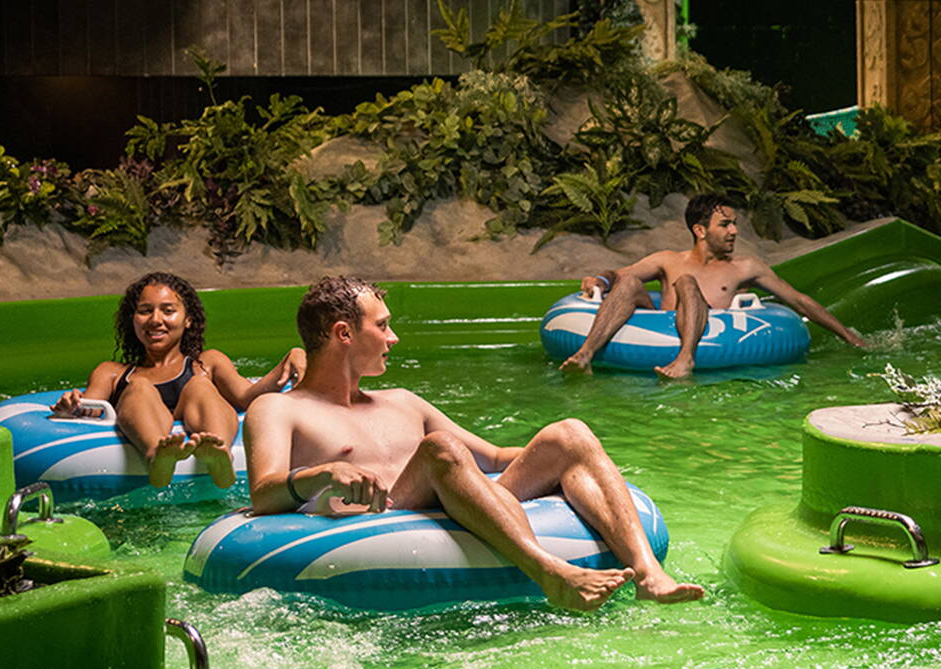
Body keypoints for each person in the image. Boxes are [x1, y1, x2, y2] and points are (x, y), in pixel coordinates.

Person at [243, 276, 704, 612]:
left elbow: (493, 459)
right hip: (380, 519)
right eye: (382, 326)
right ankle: (551, 573)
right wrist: (321, 475)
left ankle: (650, 575)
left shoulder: (403, 401)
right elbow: (262, 493)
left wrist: (568, 453)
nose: (393, 338)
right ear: (344, 333)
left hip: (453, 499)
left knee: (570, 432)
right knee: (440, 448)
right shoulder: (279, 409)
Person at [558, 194, 868, 378]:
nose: (734, 231)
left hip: (711, 338)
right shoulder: (668, 260)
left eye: (734, 224)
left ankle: (685, 359)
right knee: (629, 282)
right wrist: (599, 279)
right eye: (725, 224)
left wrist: (849, 336)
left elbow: (798, 301)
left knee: (687, 284)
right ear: (700, 230)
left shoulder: (745, 268)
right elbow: (619, 274)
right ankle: (585, 355)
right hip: (659, 327)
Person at [51, 272, 306, 489]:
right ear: (133, 320)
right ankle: (157, 456)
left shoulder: (207, 363)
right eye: (145, 311)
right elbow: (91, 410)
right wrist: (70, 407)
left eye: (168, 311)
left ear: (188, 319)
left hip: (199, 414)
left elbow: (248, 398)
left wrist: (291, 358)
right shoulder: (112, 372)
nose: (155, 320)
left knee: (200, 385)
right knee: (139, 386)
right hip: (145, 420)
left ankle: (219, 453)